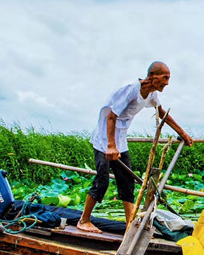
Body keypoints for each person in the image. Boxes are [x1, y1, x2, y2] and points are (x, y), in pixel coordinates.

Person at [77, 61, 194, 233]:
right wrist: (110, 145)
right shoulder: (131, 89)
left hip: (120, 140)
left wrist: (183, 133)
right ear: (152, 76)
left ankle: (130, 223)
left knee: (127, 182)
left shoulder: (152, 93)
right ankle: (84, 220)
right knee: (102, 180)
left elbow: (162, 114)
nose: (167, 83)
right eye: (165, 78)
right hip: (105, 139)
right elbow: (111, 116)